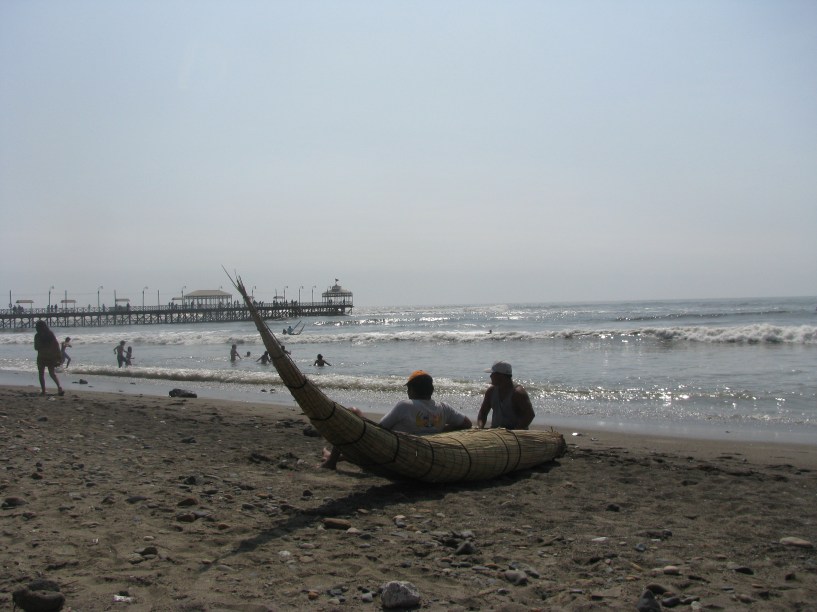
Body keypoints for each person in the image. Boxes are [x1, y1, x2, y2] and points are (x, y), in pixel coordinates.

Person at [321, 370, 472, 469]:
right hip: (426, 453)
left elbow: (379, 429)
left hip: (398, 452)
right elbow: (467, 424)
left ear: (411, 390)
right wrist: (439, 429)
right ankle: (336, 457)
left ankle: (332, 461)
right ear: (431, 390)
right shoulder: (444, 408)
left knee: (353, 412)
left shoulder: (405, 406)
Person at [476, 361, 535, 430]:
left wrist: (516, 431)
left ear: (501, 376)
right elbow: (483, 412)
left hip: (515, 432)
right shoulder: (491, 391)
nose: (490, 376)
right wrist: (480, 427)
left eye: (493, 374)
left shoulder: (518, 393)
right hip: (496, 430)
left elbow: (530, 415)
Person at [34, 321, 64, 396]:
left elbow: (36, 347)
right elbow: (56, 345)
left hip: (41, 357)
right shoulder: (50, 334)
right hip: (50, 357)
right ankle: (59, 388)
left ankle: (43, 391)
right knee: (52, 374)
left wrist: (42, 346)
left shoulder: (37, 336)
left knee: (41, 374)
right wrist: (59, 356)